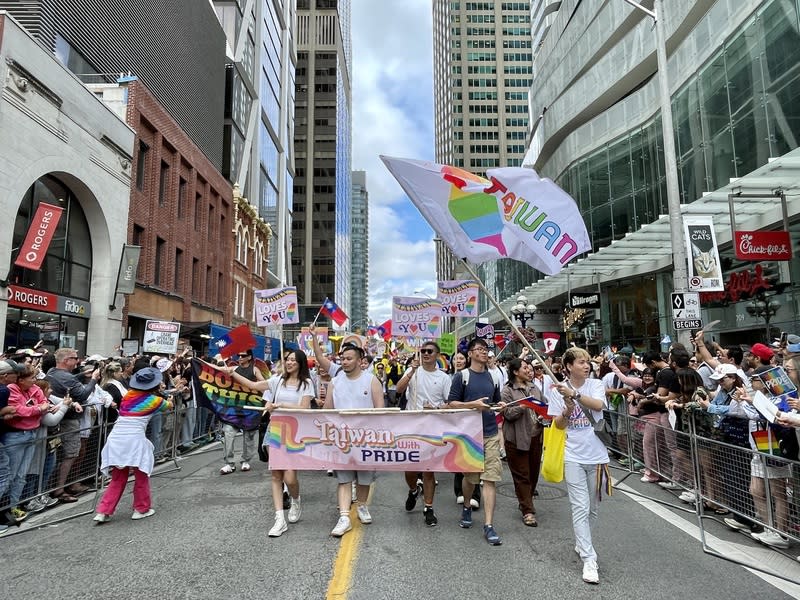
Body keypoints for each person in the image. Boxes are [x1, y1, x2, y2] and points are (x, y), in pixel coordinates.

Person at [230, 349, 314, 537]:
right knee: (276, 476)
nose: (289, 362)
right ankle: (279, 519)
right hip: (275, 429)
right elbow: (252, 384)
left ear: (300, 363)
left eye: (293, 360)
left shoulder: (306, 383)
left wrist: (280, 405)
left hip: (296, 431)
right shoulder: (276, 380)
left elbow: (304, 408)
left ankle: (296, 499)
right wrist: (232, 373)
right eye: (287, 359)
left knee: (290, 478)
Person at [547, 347, 609, 585]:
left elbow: (598, 405)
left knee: (592, 508)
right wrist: (567, 409)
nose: (586, 365)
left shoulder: (595, 384)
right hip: (572, 455)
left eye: (587, 362)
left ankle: (583, 542)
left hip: (598, 455)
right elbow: (559, 425)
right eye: (581, 362)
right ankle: (589, 558)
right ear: (569, 366)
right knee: (580, 507)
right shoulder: (557, 390)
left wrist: (574, 395)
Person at [93, 367, 172, 523]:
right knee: (141, 474)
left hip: (116, 438)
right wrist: (167, 396)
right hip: (135, 439)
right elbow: (169, 406)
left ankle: (103, 511)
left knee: (118, 477)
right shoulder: (155, 401)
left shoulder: (128, 396)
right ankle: (141, 508)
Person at [323, 342, 384, 537]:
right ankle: (344, 516)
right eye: (343, 359)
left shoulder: (372, 380)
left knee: (364, 479)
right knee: (344, 479)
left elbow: (381, 410)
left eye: (349, 358)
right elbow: (327, 410)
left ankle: (362, 506)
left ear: (360, 360)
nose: (345, 362)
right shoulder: (335, 382)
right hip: (342, 439)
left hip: (366, 439)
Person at [446, 337, 503, 546]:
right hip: (469, 436)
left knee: (490, 479)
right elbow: (451, 403)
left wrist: (500, 405)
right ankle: (467, 506)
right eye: (478, 349)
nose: (483, 352)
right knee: (470, 479)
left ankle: (488, 525)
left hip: (489, 434)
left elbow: (495, 402)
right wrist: (473, 405)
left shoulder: (494, 377)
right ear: (469, 354)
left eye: (485, 349)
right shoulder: (462, 376)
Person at [395, 341, 451, 527]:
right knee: (410, 468)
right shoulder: (413, 372)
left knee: (428, 469)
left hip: (432, 427)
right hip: (411, 426)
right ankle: (413, 490)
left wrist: (436, 408)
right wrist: (411, 371)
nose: (426, 354)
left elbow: (448, 402)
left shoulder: (443, 377)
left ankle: (428, 508)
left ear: (437, 354)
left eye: (429, 351)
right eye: (423, 351)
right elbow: (399, 389)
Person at [45, 348, 96, 502]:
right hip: (68, 421)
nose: (77, 361)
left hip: (60, 420)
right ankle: (59, 489)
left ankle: (59, 487)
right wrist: (93, 379)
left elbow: (67, 382)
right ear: (66, 360)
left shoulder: (52, 372)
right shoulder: (67, 377)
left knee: (61, 455)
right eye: (75, 358)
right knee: (71, 454)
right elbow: (83, 394)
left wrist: (81, 375)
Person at [5, 365, 52, 522]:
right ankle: (4, 509)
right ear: (21, 379)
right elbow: (19, 410)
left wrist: (38, 407)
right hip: (16, 436)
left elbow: (44, 401)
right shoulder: (11, 389)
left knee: (22, 474)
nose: (35, 381)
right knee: (10, 474)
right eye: (32, 378)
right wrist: (39, 408)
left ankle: (14, 506)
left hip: (32, 433)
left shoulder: (33, 388)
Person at [499, 358, 543, 527]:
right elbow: (507, 414)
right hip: (516, 439)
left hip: (535, 435)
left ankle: (526, 500)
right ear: (516, 372)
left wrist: (544, 413)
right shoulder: (508, 390)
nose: (529, 370)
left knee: (533, 474)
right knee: (521, 475)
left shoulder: (534, 387)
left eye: (529, 368)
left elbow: (544, 404)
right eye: (525, 368)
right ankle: (528, 511)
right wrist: (522, 407)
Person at [219, 349, 264, 474]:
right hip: (233, 407)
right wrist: (200, 362)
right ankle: (229, 463)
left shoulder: (255, 370)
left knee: (248, 436)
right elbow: (215, 369)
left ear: (249, 357)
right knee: (228, 433)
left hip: (251, 408)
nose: (239, 357)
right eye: (238, 355)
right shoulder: (232, 368)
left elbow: (263, 383)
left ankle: (245, 460)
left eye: (243, 355)